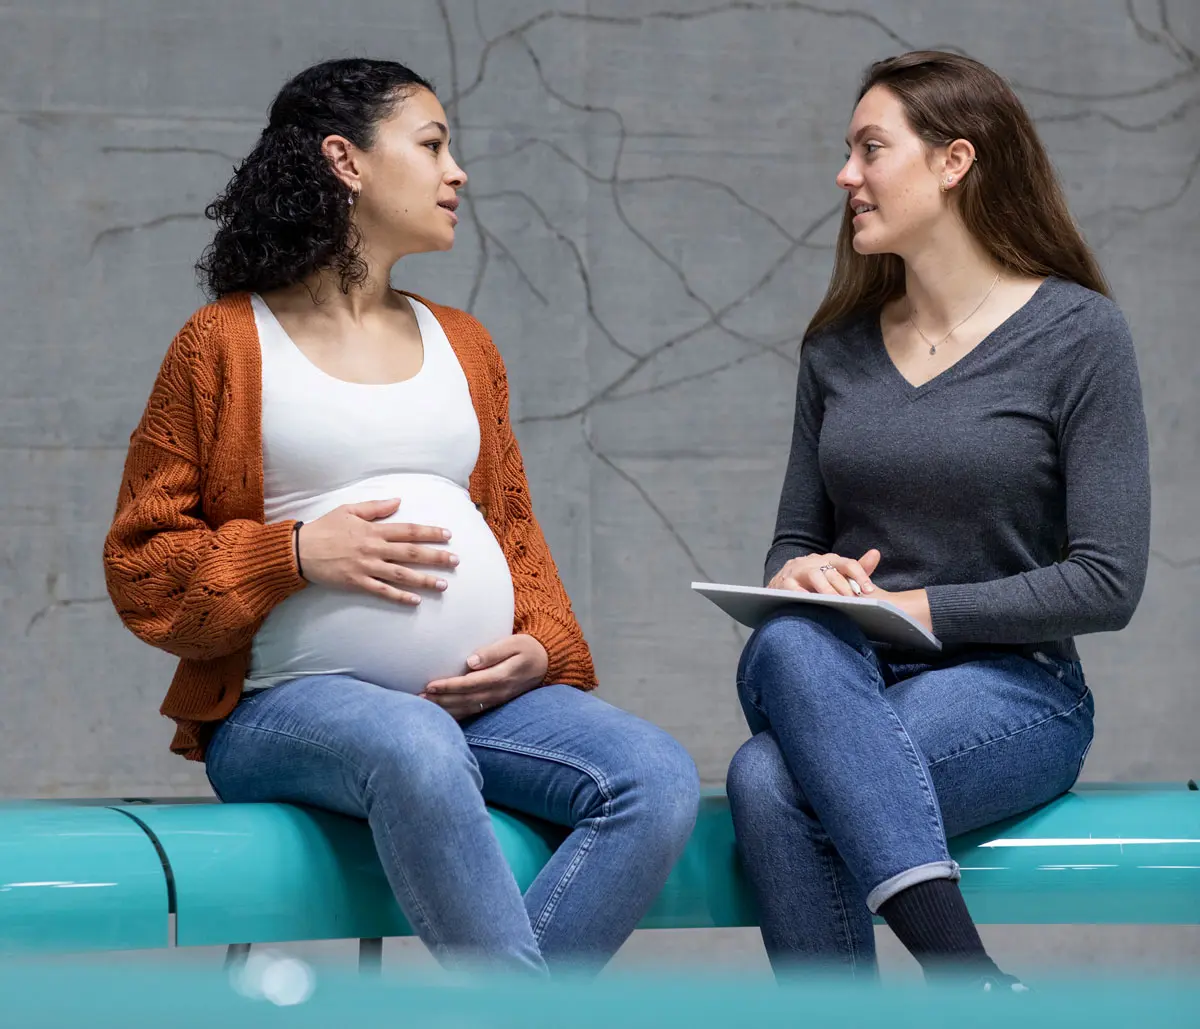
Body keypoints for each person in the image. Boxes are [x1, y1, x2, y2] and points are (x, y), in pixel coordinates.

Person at [103, 57, 699, 977]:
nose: (456, 170)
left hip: (470, 709)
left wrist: (540, 646)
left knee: (653, 777)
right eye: (431, 145)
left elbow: (513, 533)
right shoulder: (222, 342)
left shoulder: (465, 344)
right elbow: (142, 562)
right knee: (413, 744)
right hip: (279, 711)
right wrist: (294, 553)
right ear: (346, 160)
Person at [725, 51, 1149, 988]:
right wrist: (798, 573)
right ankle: (973, 984)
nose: (846, 176)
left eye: (871, 149)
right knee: (790, 641)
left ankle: (961, 986)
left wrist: (919, 610)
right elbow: (796, 538)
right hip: (844, 674)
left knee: (770, 783)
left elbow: (1107, 582)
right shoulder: (834, 349)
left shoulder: (1079, 336)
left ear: (955, 161)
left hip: (1017, 689)